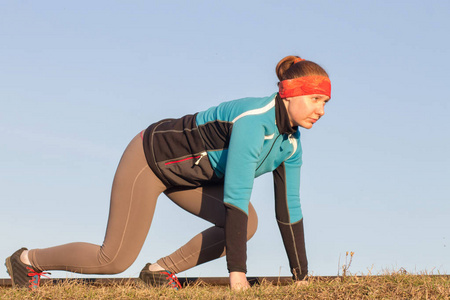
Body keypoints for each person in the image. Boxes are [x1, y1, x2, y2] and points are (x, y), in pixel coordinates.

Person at [5, 55, 331, 290]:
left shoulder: (291, 144)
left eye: (326, 102)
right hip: (151, 160)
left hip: (190, 177)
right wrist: (237, 275)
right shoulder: (253, 121)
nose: (321, 109)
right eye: (315, 99)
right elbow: (236, 195)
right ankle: (26, 260)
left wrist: (301, 278)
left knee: (249, 222)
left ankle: (160, 272)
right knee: (113, 260)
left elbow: (289, 209)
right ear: (290, 93)